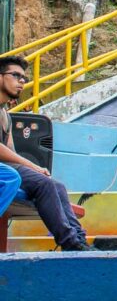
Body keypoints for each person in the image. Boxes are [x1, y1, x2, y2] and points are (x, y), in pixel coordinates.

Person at [0, 56, 96, 251]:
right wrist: (33, 166)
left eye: (24, 78)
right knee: (42, 183)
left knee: (56, 186)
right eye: (16, 76)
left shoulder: (5, 115)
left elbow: (9, 151)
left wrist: (34, 170)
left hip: (5, 167)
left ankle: (79, 240)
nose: (21, 82)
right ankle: (70, 243)